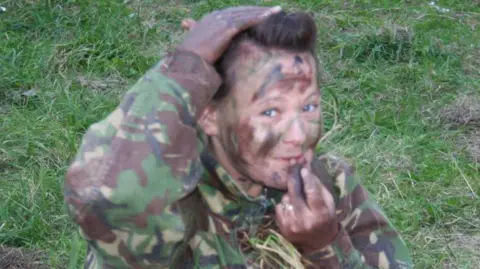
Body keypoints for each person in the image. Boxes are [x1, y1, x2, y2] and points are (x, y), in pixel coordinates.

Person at [64, 6, 413, 269]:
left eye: (308, 107)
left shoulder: (327, 185)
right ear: (208, 114)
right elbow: (105, 199)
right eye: (271, 112)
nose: (298, 136)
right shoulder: (173, 203)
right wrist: (185, 69)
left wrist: (325, 244)